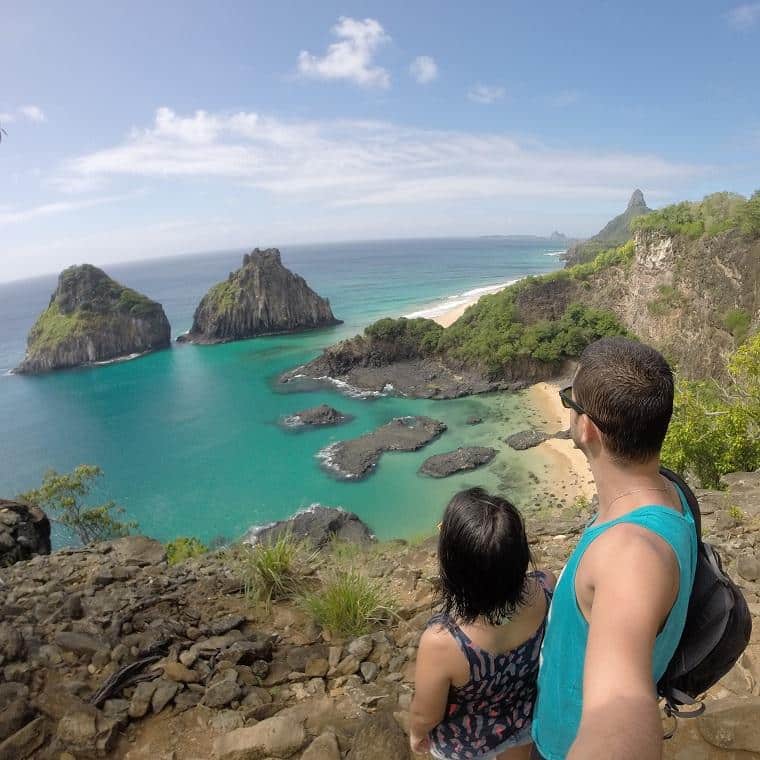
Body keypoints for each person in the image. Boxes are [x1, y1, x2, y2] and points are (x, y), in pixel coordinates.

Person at [531, 337, 698, 760]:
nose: (566, 407)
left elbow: (621, 710)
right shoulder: (673, 493)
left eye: (569, 399)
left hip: (564, 744)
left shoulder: (629, 555)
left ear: (586, 427)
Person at [410, 487, 555, 760]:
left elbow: (425, 712)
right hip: (522, 720)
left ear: (453, 567)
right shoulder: (546, 586)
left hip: (467, 743)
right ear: (520, 553)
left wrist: (417, 733)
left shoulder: (443, 641)